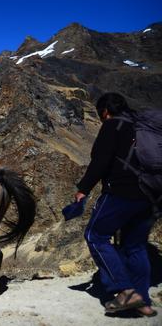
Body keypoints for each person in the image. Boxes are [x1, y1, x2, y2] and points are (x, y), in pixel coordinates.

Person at [74, 93, 156, 317]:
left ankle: (124, 290)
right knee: (136, 246)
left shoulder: (112, 126)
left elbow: (100, 162)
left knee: (95, 235)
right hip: (149, 195)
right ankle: (143, 303)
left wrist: (83, 189)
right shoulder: (141, 125)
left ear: (105, 112)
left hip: (121, 192)